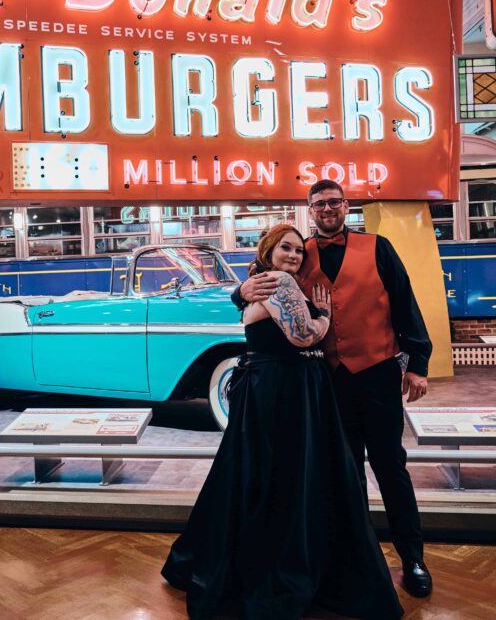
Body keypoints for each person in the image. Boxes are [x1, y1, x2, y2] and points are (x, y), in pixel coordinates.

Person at [163, 224, 404, 620]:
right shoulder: (279, 283)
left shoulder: (260, 282)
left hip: (272, 390)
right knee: (291, 477)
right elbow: (303, 336)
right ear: (269, 251)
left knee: (263, 477)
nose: (294, 256)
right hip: (285, 391)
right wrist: (323, 315)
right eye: (286, 248)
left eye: (298, 252)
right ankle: (290, 565)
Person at [234, 181, 434, 598]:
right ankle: (354, 558)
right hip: (326, 381)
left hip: (377, 373)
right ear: (310, 210)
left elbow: (405, 303)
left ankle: (413, 557)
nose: (327, 209)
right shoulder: (297, 253)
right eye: (318, 204)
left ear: (346, 206)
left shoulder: (378, 247)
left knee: (390, 467)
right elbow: (257, 287)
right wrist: (239, 291)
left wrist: (417, 364)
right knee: (341, 471)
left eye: (333, 202)